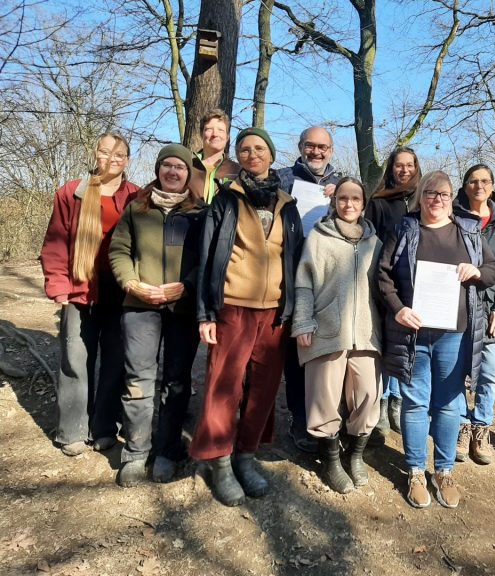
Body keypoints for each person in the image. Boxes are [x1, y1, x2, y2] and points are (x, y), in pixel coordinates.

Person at [191, 127, 303, 507]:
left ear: (271, 155)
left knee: (263, 390)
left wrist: (294, 309)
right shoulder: (226, 200)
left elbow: (297, 260)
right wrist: (206, 312)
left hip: (274, 313)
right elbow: (207, 257)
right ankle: (219, 462)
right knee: (225, 386)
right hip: (232, 309)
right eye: (245, 149)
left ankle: (246, 456)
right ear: (238, 157)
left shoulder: (288, 205)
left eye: (259, 148)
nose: (253, 154)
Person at [378, 170, 495, 509]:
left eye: (444, 194)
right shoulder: (405, 228)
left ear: (453, 197)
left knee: (449, 403)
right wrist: (399, 309)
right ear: (420, 196)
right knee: (416, 402)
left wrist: (477, 272)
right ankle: (416, 470)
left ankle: (444, 470)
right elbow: (384, 274)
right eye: (431, 193)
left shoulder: (469, 231)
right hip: (413, 332)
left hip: (454, 334)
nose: (437, 199)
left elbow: (494, 269)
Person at [109, 144, 204, 486]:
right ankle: (135, 452)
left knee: (177, 382)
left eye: (180, 167)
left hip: (182, 309)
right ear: (158, 170)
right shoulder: (137, 208)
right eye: (168, 166)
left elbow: (207, 260)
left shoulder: (199, 213)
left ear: (188, 174)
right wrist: (131, 283)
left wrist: (187, 286)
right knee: (138, 378)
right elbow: (119, 250)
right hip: (140, 307)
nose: (174, 172)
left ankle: (167, 451)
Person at [40, 132, 139, 456]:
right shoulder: (72, 192)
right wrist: (58, 286)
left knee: (114, 362)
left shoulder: (136, 196)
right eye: (106, 152)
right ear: (95, 154)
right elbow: (56, 243)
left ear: (127, 160)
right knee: (75, 361)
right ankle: (72, 430)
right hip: (79, 288)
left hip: (120, 293)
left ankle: (104, 427)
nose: (112, 159)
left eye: (119, 154)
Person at [292, 177, 382, 494]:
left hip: (367, 333)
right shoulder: (318, 236)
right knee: (324, 397)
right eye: (343, 198)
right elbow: (304, 282)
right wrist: (303, 322)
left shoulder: (375, 241)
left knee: (369, 395)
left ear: (363, 203)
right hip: (327, 329)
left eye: (355, 198)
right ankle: (331, 459)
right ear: (335, 201)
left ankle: (355, 454)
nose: (348, 204)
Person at [277, 126, 341, 453]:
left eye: (323, 147)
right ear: (301, 146)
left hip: (329, 282)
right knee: (295, 350)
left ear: (331, 150)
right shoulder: (282, 178)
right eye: (310, 146)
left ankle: (327, 419)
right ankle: (300, 418)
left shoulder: (343, 183)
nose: (316, 152)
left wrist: (339, 200)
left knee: (326, 352)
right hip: (288, 276)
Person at [453, 165, 495, 465]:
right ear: (465, 186)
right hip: (456, 308)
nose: (479, 185)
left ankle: (481, 427)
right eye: (473, 181)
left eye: (485, 181)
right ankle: (460, 425)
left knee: (488, 373)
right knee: (454, 371)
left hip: (492, 311)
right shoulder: (453, 218)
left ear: (492, 186)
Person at [365, 146, 422, 444]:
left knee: (406, 345)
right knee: (387, 344)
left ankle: (398, 400)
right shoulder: (377, 202)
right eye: (398, 165)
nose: (404, 170)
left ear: (416, 167)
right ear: (391, 169)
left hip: (414, 288)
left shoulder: (422, 200)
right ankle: (383, 400)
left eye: (409, 165)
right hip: (383, 283)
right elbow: (369, 240)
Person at [188, 108, 240, 204]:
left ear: (227, 137)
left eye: (220, 130)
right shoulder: (187, 167)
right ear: (201, 134)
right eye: (209, 129)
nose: (215, 134)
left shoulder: (238, 172)